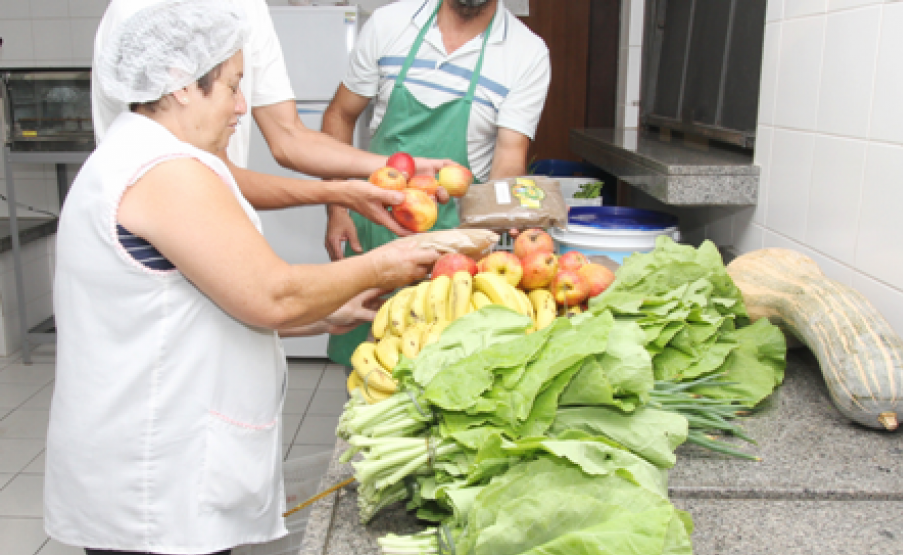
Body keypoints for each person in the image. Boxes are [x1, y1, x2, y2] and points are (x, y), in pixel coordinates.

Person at [44, 2, 440, 554]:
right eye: (233, 86)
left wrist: (324, 316)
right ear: (182, 84)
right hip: (153, 480)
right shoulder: (163, 172)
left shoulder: (150, 154)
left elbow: (198, 301)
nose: (241, 106)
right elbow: (272, 294)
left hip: (156, 463)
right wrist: (387, 261)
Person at [91, 0, 450, 238]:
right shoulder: (141, 13)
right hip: (165, 232)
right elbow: (200, 172)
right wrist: (340, 192)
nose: (241, 106)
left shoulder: (248, 7)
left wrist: (400, 168)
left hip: (222, 221)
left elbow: (289, 136)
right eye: (233, 88)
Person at [323, 0, 550, 366]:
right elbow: (339, 115)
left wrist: (497, 229)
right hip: (373, 229)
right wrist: (336, 207)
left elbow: (509, 158)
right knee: (366, 371)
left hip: (453, 246)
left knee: (438, 370)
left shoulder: (526, 53)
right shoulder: (389, 24)